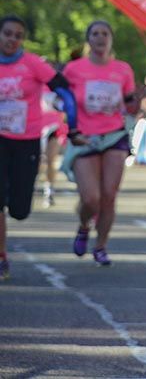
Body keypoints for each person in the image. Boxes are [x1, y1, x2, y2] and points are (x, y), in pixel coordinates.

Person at [0, 15, 77, 279]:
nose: (12, 39)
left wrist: (71, 116)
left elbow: (63, 89)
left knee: (19, 210)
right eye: (7, 33)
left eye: (17, 35)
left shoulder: (32, 63)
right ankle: (2, 257)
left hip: (26, 141)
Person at [61, 20, 138, 267]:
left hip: (114, 135)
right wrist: (70, 127)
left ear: (111, 39)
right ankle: (84, 225)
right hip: (85, 137)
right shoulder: (73, 69)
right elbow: (61, 99)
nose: (100, 38)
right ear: (88, 39)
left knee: (108, 195)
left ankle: (101, 246)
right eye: (95, 34)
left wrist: (134, 102)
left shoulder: (123, 69)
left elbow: (130, 104)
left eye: (105, 33)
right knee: (91, 198)